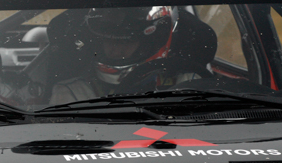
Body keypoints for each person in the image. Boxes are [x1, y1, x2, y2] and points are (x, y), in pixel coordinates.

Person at [49, 7, 200, 105]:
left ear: (148, 43)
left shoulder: (187, 83)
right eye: (109, 41)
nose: (114, 51)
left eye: (125, 43)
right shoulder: (72, 92)